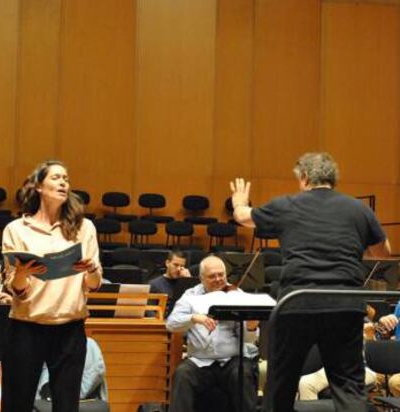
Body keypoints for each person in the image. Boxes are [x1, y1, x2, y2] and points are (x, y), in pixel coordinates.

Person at [231, 152, 391, 412]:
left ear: (304, 177)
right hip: (345, 303)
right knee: (349, 385)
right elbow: (383, 252)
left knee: (281, 384)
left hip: (297, 303)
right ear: (333, 179)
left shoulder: (287, 205)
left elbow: (243, 218)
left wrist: (239, 201)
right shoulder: (359, 209)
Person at [0, 160, 102, 412]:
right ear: (38, 186)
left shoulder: (84, 227)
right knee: (16, 403)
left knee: (67, 406)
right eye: (56, 178)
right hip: (26, 327)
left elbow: (94, 284)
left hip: (69, 328)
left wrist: (91, 270)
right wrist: (22, 274)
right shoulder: (16, 229)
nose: (63, 183)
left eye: (66, 179)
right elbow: (18, 291)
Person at [166, 255, 259, 412]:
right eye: (212, 276)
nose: (218, 279)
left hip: (232, 361)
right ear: (201, 278)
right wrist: (193, 318)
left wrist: (250, 327)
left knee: (243, 372)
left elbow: (249, 339)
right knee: (182, 374)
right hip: (200, 362)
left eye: (221, 275)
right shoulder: (190, 296)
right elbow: (171, 324)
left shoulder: (236, 294)